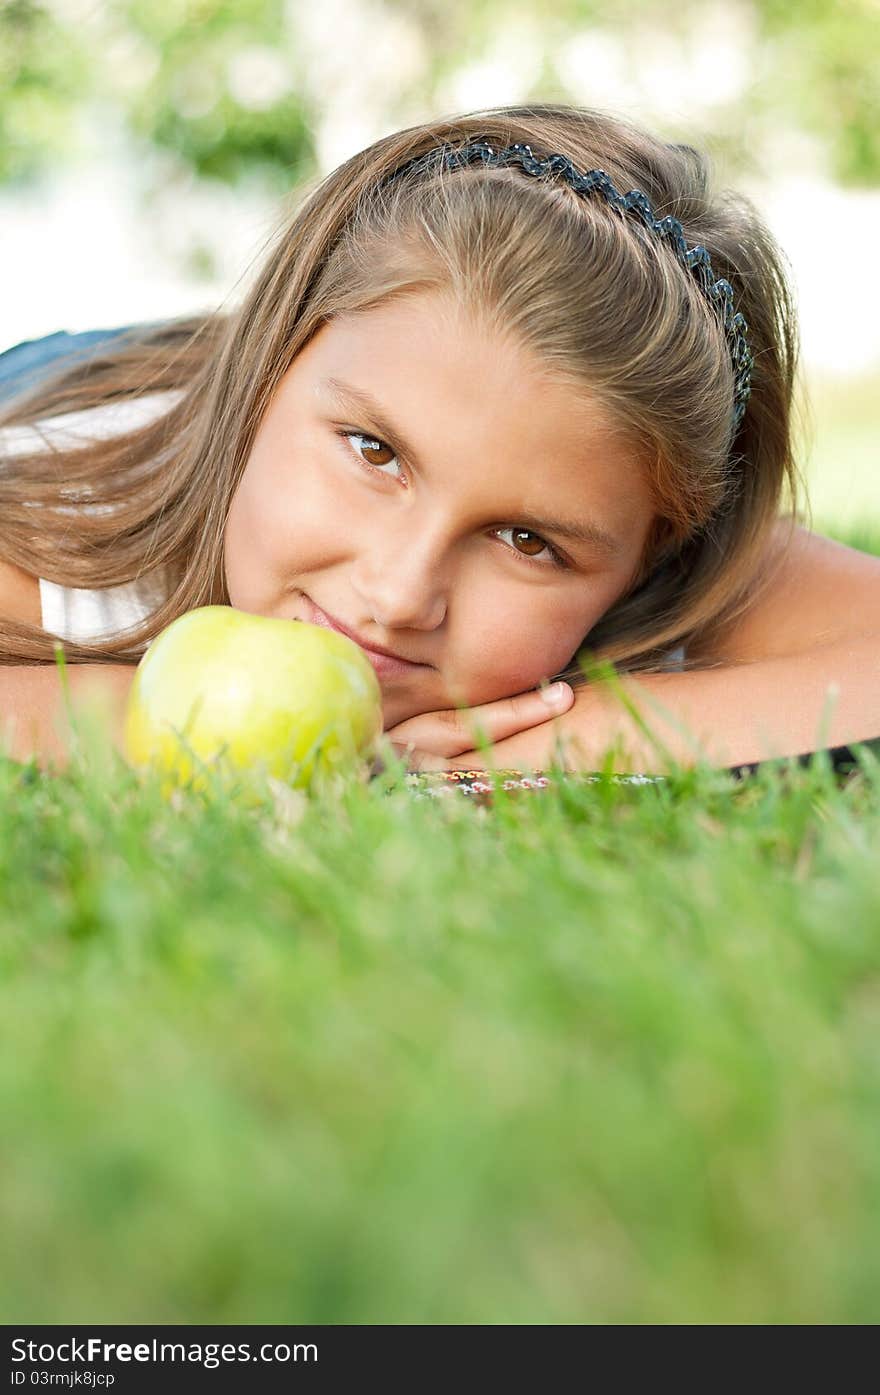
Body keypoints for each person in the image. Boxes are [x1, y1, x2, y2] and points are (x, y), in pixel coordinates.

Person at [1, 103, 878, 778]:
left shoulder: (632, 511)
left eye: (526, 542)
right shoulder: (50, 519)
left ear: (652, 560)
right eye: (374, 452)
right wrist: (154, 716)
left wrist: (578, 733)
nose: (399, 590)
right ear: (271, 370)